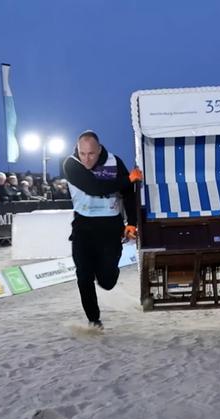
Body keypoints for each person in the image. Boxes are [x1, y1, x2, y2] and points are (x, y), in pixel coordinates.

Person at [62, 130, 142, 329]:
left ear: (99, 150)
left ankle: (104, 272)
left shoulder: (115, 162)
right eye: (82, 153)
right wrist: (128, 179)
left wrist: (132, 223)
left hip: (110, 227)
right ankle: (94, 320)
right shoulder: (71, 163)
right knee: (83, 276)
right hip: (83, 227)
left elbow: (128, 194)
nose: (86, 159)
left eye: (91, 154)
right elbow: (94, 188)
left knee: (107, 282)